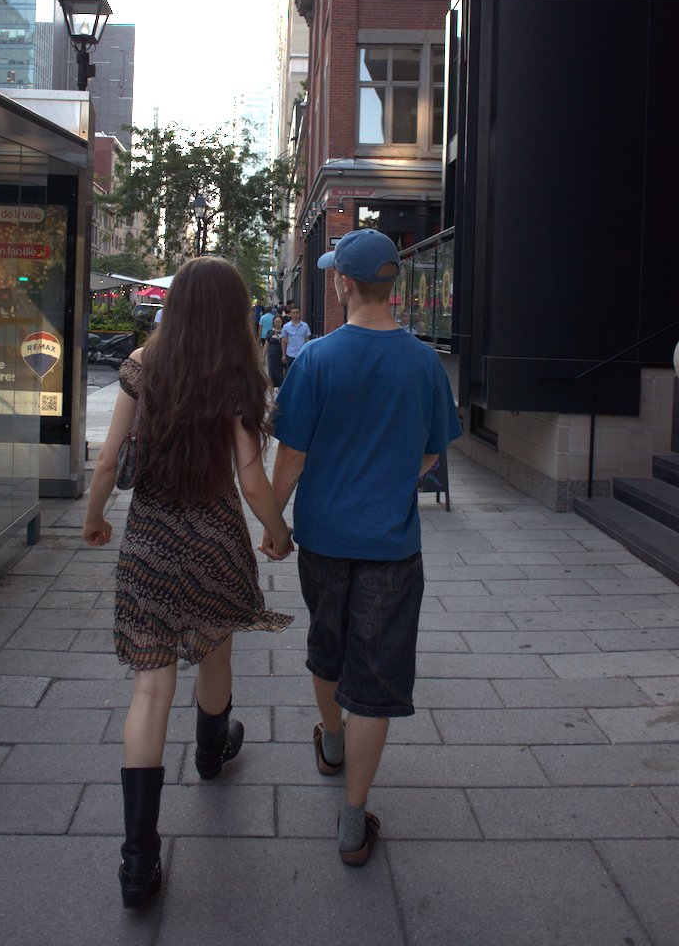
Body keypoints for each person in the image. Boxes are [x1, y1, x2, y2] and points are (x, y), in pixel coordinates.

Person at [82, 256, 293, 908]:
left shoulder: (143, 364)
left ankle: (138, 861)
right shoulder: (236, 375)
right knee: (216, 648)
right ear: (232, 312)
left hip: (149, 539)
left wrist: (94, 518)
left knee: (150, 689)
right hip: (215, 538)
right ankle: (209, 752)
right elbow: (251, 479)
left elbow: (109, 460)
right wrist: (278, 532)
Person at [261, 229, 461, 867]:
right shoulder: (425, 363)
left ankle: (331, 739)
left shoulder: (316, 360)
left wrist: (273, 524)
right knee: (375, 676)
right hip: (392, 544)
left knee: (329, 646)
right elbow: (431, 452)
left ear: (344, 283)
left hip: (323, 537)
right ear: (393, 286)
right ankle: (353, 820)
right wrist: (393, 480)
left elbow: (291, 457)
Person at [280, 305, 311, 371]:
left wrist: (307, 354)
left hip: (301, 354)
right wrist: (283, 355)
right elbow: (284, 342)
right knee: (290, 373)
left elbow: (307, 340)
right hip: (290, 354)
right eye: (293, 313)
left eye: (297, 312)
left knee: (301, 373)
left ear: (299, 314)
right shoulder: (286, 326)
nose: (295, 314)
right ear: (290, 314)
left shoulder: (305, 326)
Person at [262, 312, 285, 396]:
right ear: (273, 322)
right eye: (276, 322)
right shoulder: (270, 332)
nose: (277, 323)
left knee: (281, 372)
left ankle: (280, 388)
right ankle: (272, 393)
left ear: (282, 322)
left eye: (279, 322)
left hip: (281, 354)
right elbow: (266, 344)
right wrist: (263, 356)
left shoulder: (285, 332)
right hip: (272, 355)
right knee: (272, 373)